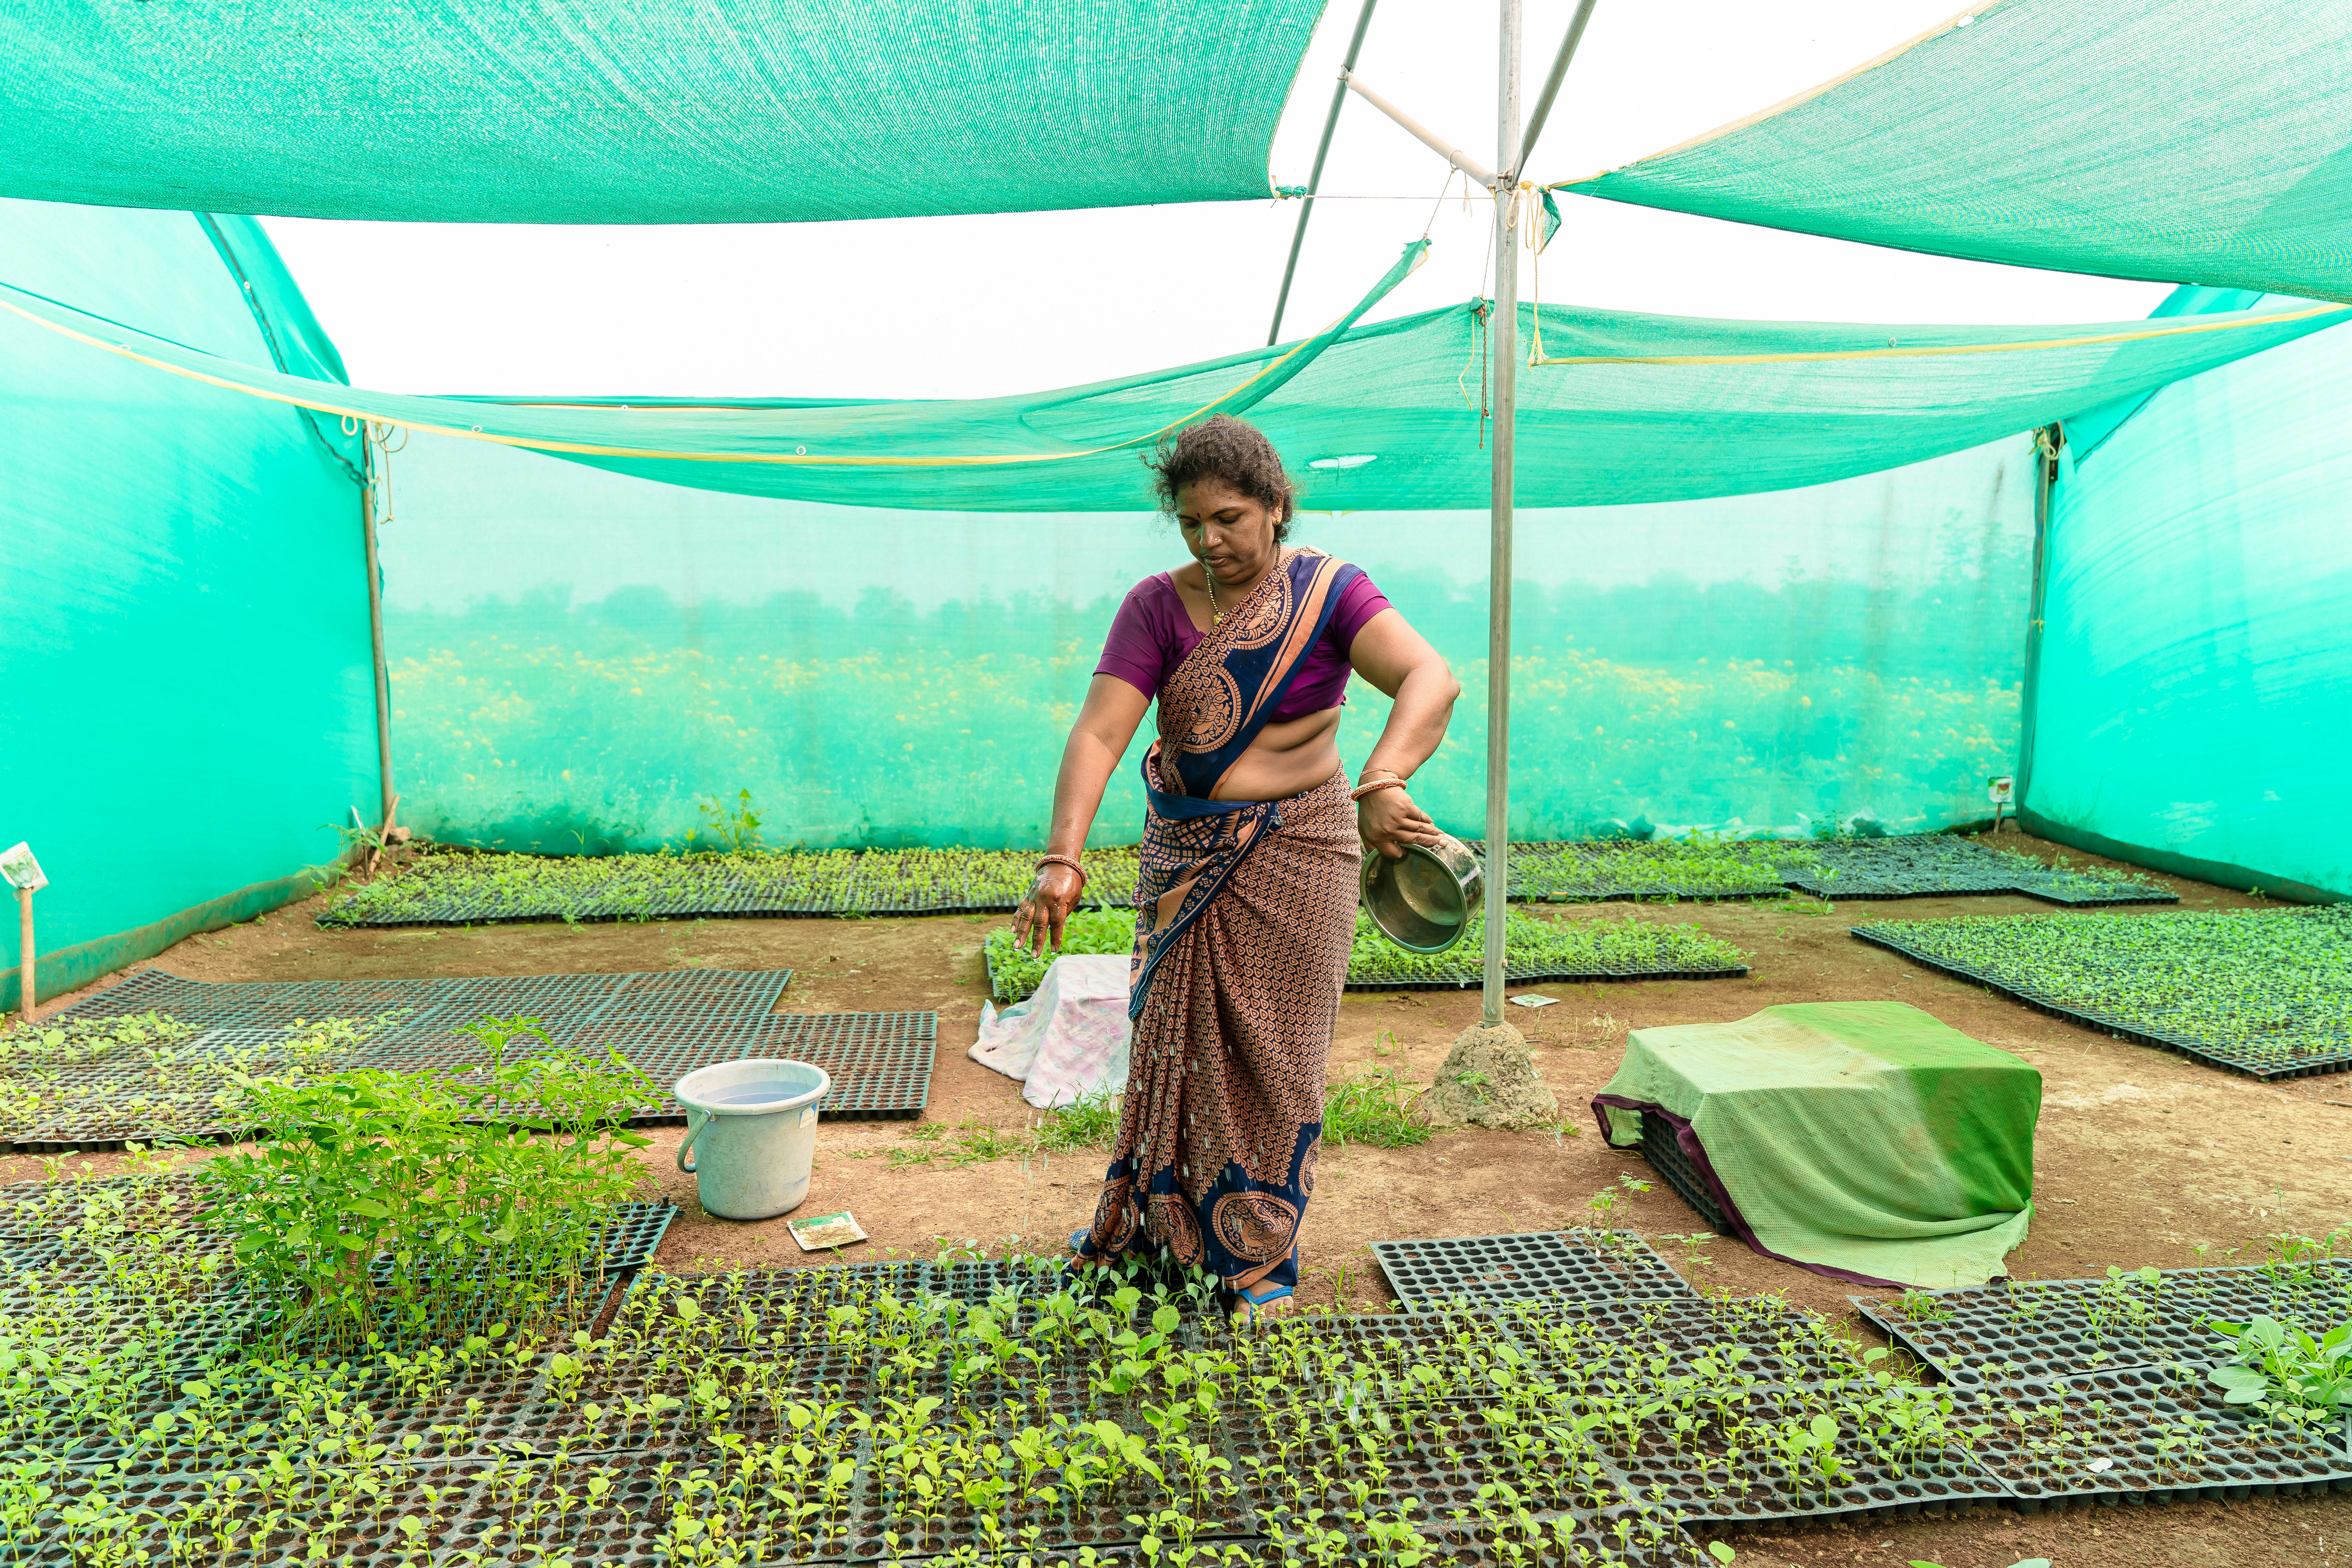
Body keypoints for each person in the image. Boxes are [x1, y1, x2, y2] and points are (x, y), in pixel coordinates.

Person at [1014, 414, 1460, 1322]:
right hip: (1187, 854)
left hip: (1304, 850)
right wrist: (1063, 856)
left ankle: (1258, 1255)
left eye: (1229, 518)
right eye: (1191, 523)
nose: (1211, 540)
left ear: (1276, 507)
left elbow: (1430, 677)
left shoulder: (1331, 593)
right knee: (1174, 1052)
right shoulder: (1154, 606)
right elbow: (1102, 730)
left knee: (1277, 1057)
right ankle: (1159, 1230)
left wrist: (1385, 777)